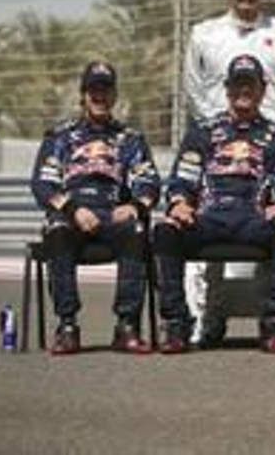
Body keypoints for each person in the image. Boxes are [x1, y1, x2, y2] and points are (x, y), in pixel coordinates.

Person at [183, 0, 275, 344]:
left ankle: (273, 321)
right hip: (216, 145)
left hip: (268, 147)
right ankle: (203, 317)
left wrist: (266, 131)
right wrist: (221, 132)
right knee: (199, 225)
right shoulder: (203, 33)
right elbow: (195, 89)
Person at [154, 54, 275, 354]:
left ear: (262, 89)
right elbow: (182, 179)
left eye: (250, 85)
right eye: (237, 84)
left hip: (254, 217)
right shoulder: (203, 131)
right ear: (227, 89)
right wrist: (180, 203)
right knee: (166, 231)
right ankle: (176, 324)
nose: (243, 91)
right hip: (210, 216)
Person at [29, 61, 161, 354]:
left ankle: (126, 326)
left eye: (105, 89)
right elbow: (43, 185)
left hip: (113, 212)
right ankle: (67, 326)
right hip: (72, 214)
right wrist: (73, 209)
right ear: (83, 95)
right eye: (93, 90)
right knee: (58, 230)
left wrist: (136, 206)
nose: (99, 96)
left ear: (115, 96)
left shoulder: (131, 139)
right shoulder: (60, 137)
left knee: (137, 229)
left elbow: (150, 183)